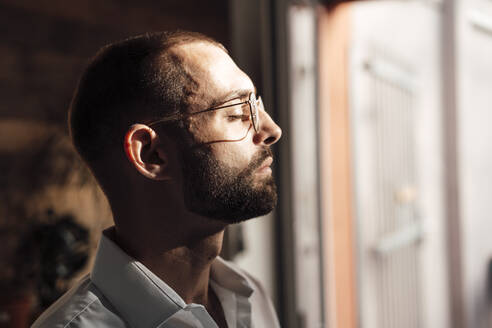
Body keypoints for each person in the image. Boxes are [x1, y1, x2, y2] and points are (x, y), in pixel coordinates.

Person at [31, 30, 282, 328]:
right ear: (151, 154)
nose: (272, 129)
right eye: (238, 111)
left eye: (257, 104)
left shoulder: (249, 296)